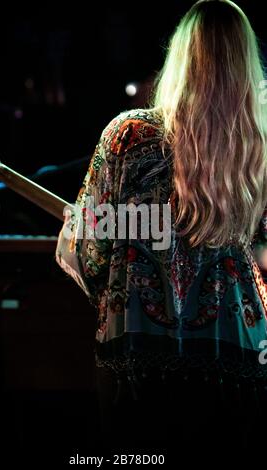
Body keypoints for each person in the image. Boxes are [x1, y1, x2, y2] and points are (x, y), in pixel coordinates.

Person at [56, 0, 267, 455]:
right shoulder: (260, 142)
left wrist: (74, 244)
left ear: (180, 58)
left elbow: (91, 258)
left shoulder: (127, 135)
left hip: (138, 363)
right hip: (238, 357)